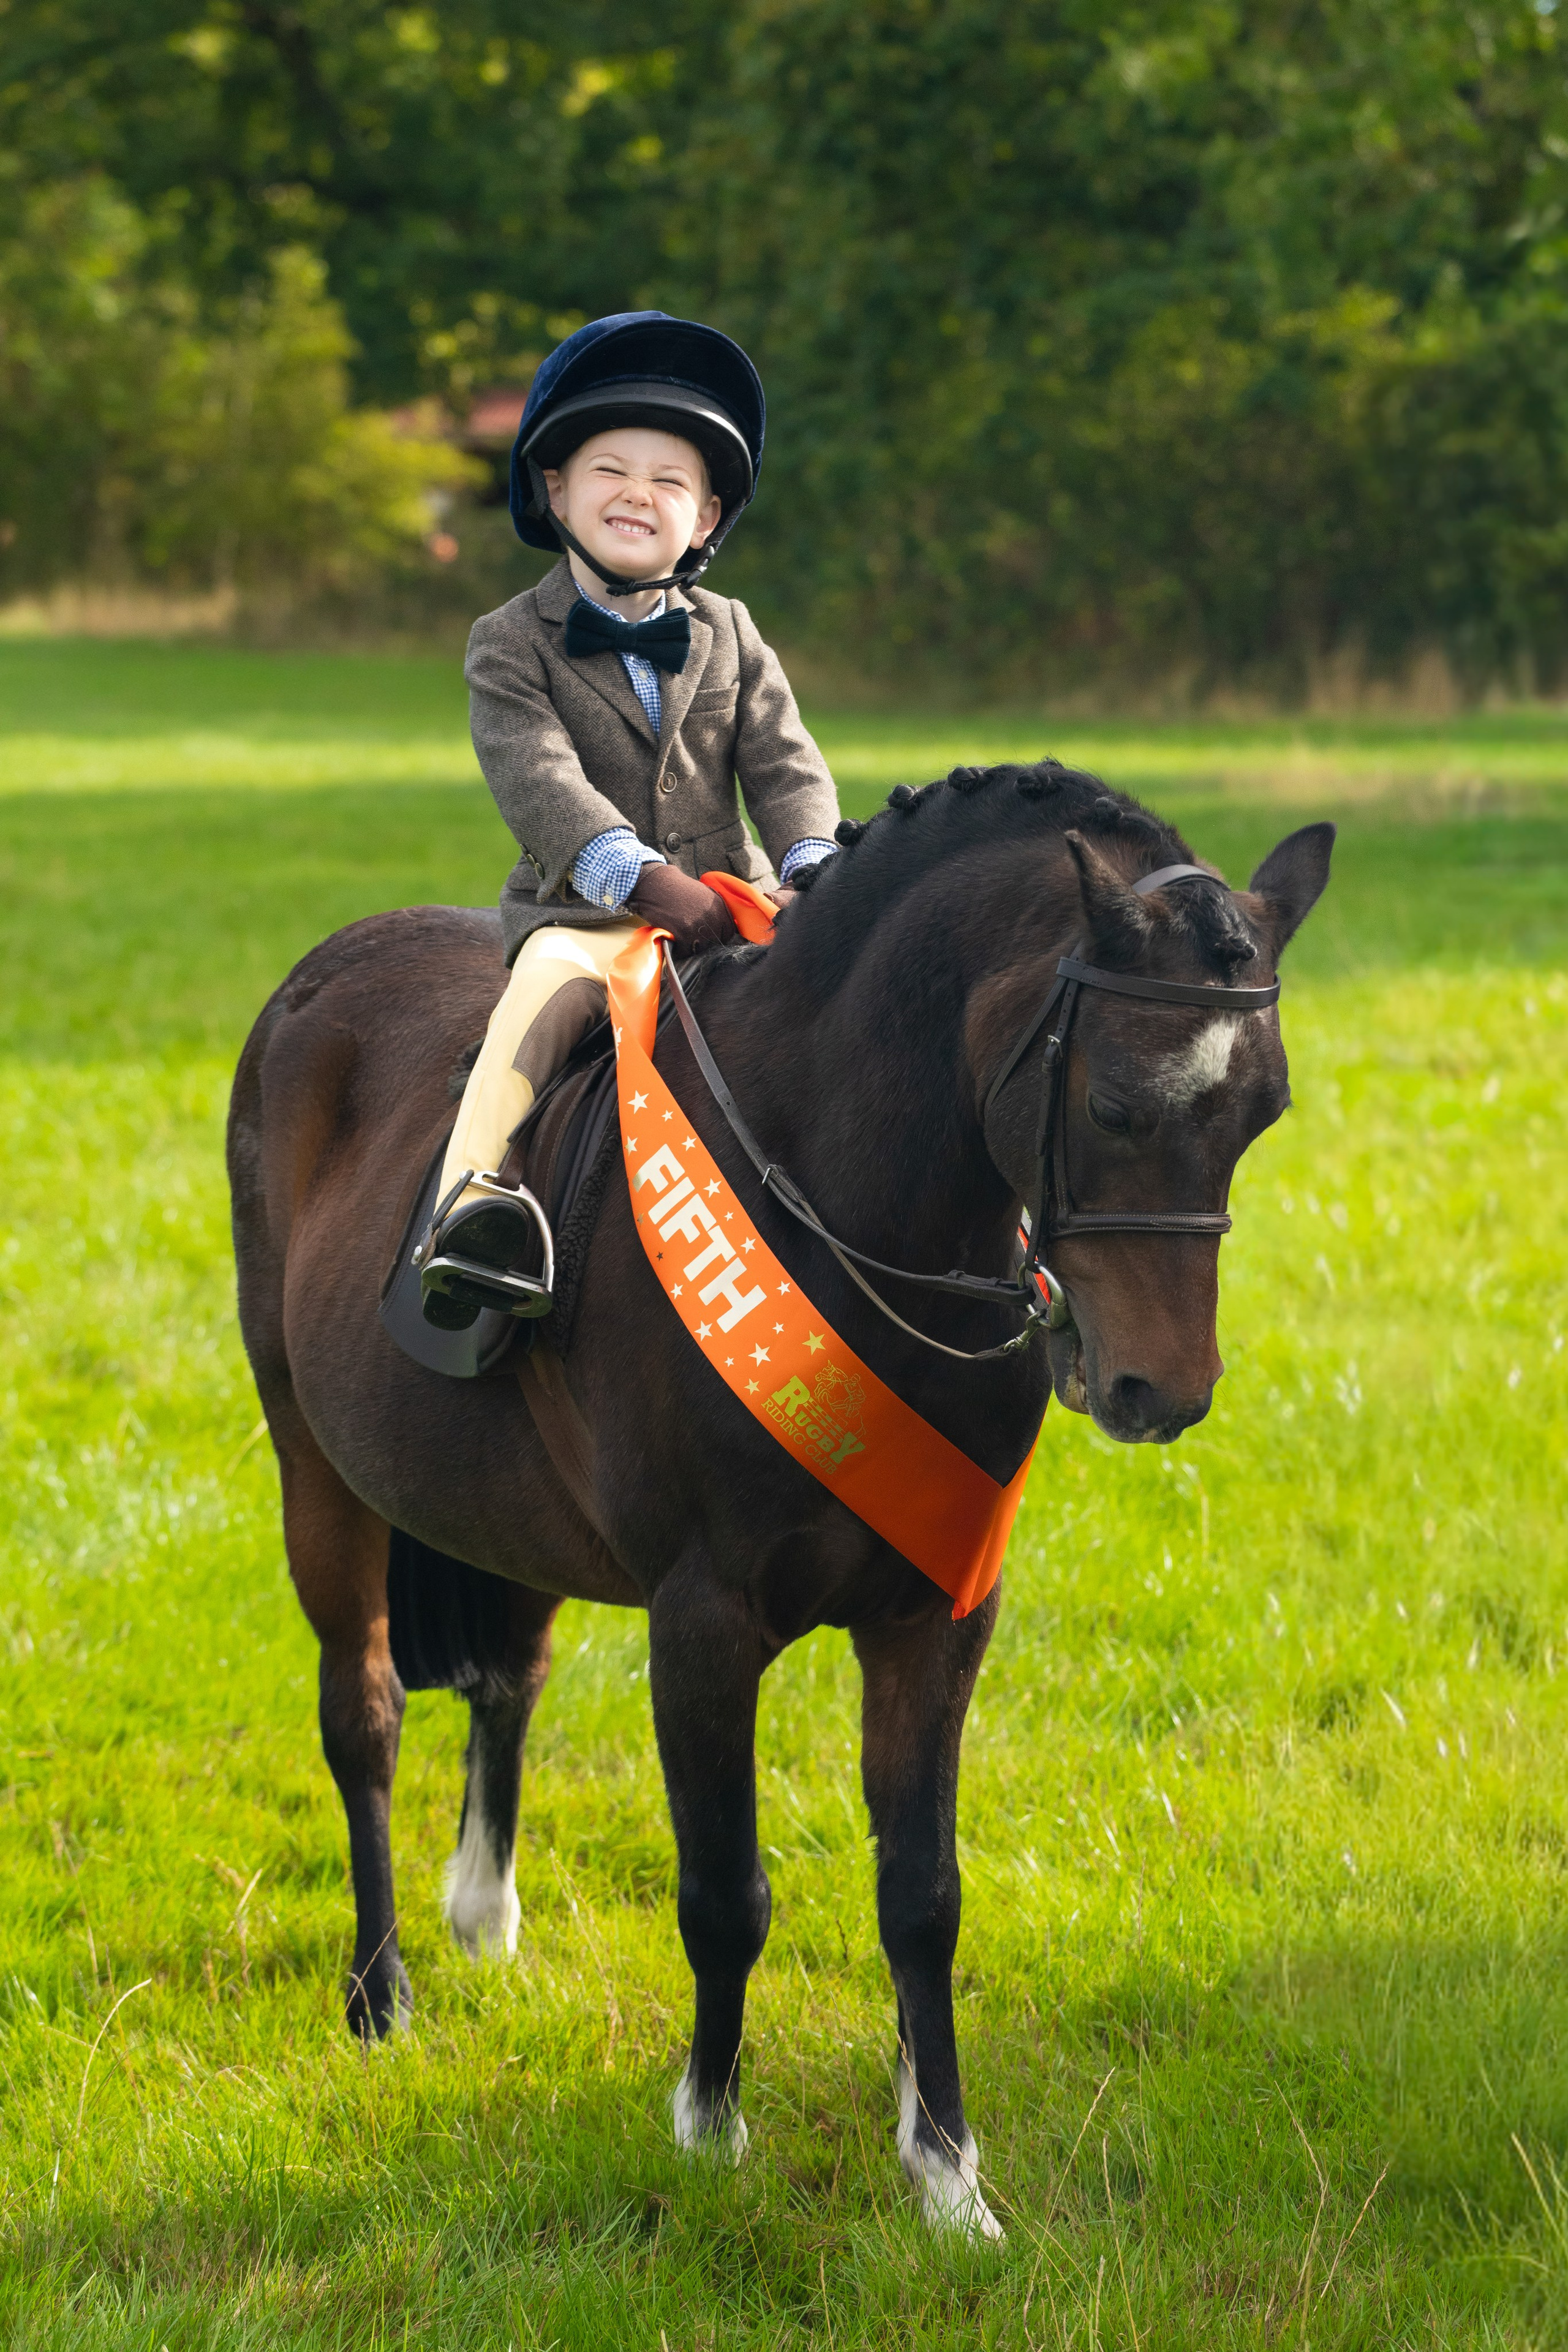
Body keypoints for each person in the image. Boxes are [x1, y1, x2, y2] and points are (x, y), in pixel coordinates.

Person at [420, 310, 841, 1329]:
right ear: (554, 491)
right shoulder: (507, 643)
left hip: (732, 903)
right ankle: (470, 1205)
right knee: (536, 1007)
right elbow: (540, 780)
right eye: (609, 470)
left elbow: (785, 764)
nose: (637, 494)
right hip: (588, 916)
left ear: (704, 520)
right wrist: (642, 880)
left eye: (669, 480)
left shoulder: (731, 632)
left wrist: (817, 869)